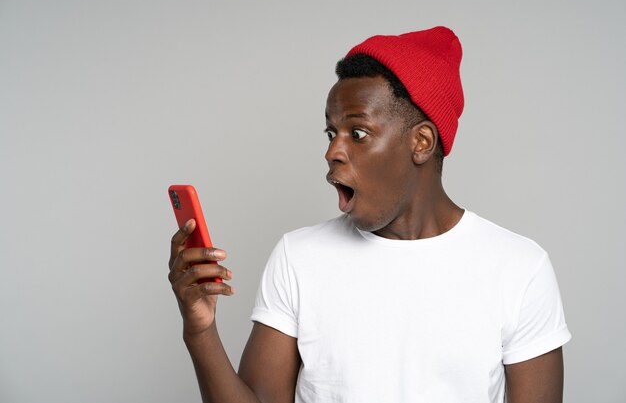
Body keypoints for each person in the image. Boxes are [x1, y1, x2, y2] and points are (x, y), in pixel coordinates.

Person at [168, 26, 571, 403]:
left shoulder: (519, 268)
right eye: (331, 133)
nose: (332, 151)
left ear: (422, 142)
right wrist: (200, 332)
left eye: (357, 133)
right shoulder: (299, 257)